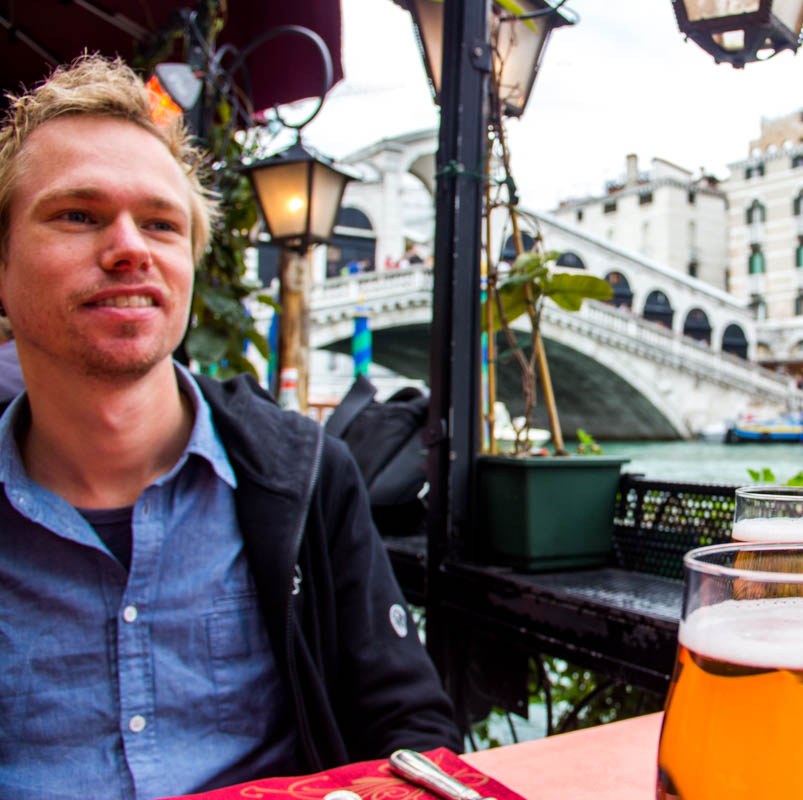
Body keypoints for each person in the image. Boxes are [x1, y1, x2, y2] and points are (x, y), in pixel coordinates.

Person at [0, 56, 459, 798]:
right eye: (77, 215)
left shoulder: (306, 473)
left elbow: (411, 732)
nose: (130, 249)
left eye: (160, 224)